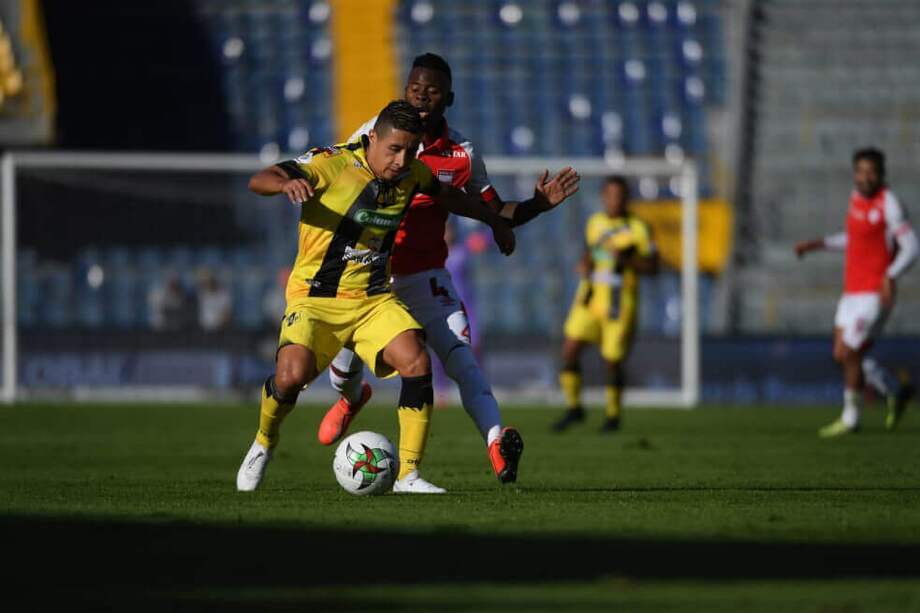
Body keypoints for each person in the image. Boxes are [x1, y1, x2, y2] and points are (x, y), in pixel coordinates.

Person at [318, 53, 581, 489]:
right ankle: (351, 396)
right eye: (415, 89)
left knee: (463, 364)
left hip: (427, 279)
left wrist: (536, 205)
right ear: (406, 90)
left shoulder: (461, 154)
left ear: (449, 98)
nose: (421, 98)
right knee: (342, 370)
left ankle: (497, 442)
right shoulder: (373, 134)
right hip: (368, 280)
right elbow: (342, 183)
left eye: (432, 91)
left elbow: (494, 209)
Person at [236, 100, 516, 493]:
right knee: (290, 377)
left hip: (372, 299)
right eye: (393, 150)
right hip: (316, 297)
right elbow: (260, 178)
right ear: (372, 139)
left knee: (417, 361)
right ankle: (264, 442)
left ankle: (409, 475)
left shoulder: (413, 173)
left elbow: (453, 198)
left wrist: (496, 221)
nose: (401, 160)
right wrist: (285, 183)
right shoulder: (330, 164)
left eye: (409, 151)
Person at [794, 148, 917, 436]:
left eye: (871, 172)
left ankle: (851, 418)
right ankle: (894, 389)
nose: (865, 177)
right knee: (842, 354)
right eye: (860, 171)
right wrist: (816, 244)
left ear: (881, 174)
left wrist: (890, 274)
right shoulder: (855, 199)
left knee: (850, 351)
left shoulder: (890, 203)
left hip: (875, 293)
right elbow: (855, 239)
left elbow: (912, 247)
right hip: (852, 291)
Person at [552, 176, 658, 433]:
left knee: (612, 361)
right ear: (603, 197)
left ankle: (613, 416)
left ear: (627, 198)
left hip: (619, 305)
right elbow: (592, 251)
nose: (615, 200)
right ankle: (574, 408)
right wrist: (585, 263)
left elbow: (653, 266)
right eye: (610, 195)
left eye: (620, 195)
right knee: (569, 350)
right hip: (588, 299)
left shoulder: (639, 228)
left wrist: (629, 261)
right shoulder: (595, 223)